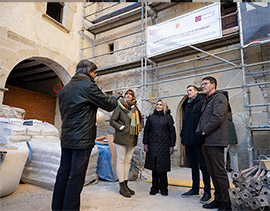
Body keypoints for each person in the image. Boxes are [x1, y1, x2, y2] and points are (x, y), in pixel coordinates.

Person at [52, 60, 119, 211]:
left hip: (67, 138)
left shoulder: (65, 89)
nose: (95, 76)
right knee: (76, 177)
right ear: (89, 71)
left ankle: (57, 207)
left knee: (63, 173)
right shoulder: (88, 86)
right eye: (95, 73)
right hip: (81, 140)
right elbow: (108, 104)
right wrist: (115, 96)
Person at [196, 76, 231, 211]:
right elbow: (202, 119)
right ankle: (218, 199)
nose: (202, 86)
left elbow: (218, 117)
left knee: (219, 172)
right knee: (212, 172)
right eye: (202, 84)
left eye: (205, 84)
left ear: (213, 85)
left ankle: (226, 203)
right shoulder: (207, 100)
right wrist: (198, 132)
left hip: (215, 140)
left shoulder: (220, 98)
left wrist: (204, 131)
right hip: (206, 141)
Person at [180, 85, 211, 203]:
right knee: (193, 166)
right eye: (187, 90)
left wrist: (200, 135)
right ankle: (194, 189)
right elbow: (185, 122)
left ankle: (207, 191)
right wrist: (183, 135)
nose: (188, 92)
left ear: (196, 92)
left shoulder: (201, 103)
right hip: (188, 141)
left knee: (203, 167)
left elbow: (203, 121)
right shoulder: (188, 104)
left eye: (190, 90)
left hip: (198, 141)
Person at [110, 89, 142, 198]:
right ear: (124, 96)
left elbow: (139, 122)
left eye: (131, 95)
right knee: (121, 160)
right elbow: (112, 121)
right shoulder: (120, 107)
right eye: (127, 94)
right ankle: (121, 186)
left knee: (128, 161)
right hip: (122, 137)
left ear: (133, 97)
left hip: (132, 138)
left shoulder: (135, 109)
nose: (128, 96)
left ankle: (126, 184)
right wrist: (121, 127)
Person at [143, 100, 176, 196]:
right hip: (153, 145)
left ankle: (164, 188)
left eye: (160, 105)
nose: (158, 106)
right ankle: (154, 187)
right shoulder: (151, 117)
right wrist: (145, 143)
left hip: (164, 145)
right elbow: (146, 131)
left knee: (163, 168)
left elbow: (172, 132)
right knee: (154, 168)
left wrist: (172, 145)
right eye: (157, 104)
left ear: (164, 106)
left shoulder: (168, 117)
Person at [225, 104, 238, 172]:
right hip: (233, 139)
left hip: (226, 139)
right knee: (233, 154)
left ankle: (223, 169)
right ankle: (235, 169)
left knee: (223, 154)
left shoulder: (223, 120)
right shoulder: (230, 119)